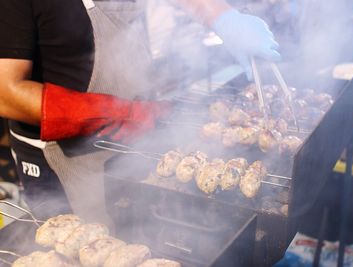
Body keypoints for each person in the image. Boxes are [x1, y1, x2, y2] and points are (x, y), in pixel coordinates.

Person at [0, 0, 279, 223]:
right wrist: (115, 113)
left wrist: (221, 16)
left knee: (139, 238)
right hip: (62, 157)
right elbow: (6, 93)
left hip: (133, 144)